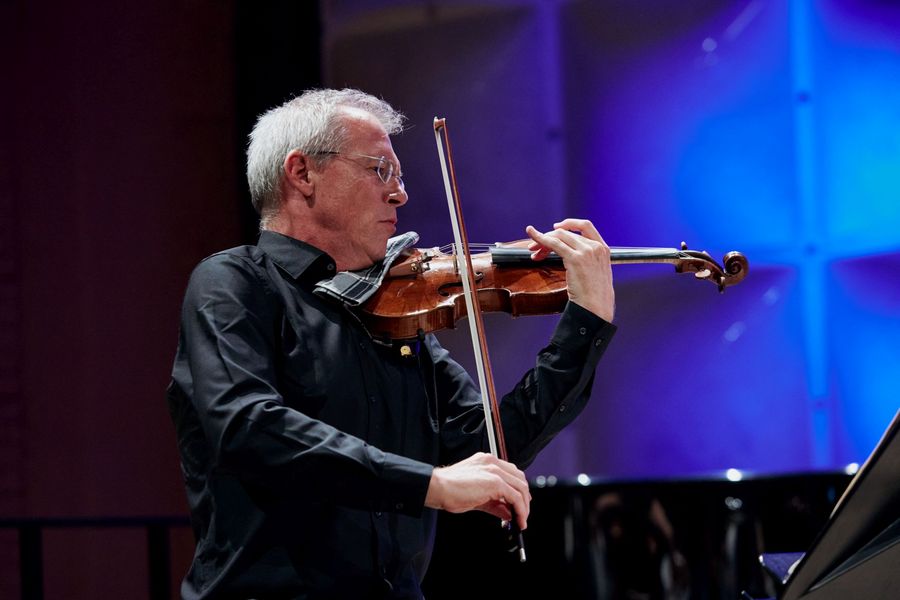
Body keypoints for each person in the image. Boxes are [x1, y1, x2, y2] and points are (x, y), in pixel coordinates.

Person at [167, 88, 617, 599]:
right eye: (380, 170)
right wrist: (430, 484)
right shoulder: (234, 284)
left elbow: (491, 448)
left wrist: (584, 322)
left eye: (398, 176)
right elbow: (248, 426)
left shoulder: (390, 313)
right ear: (302, 172)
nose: (400, 194)